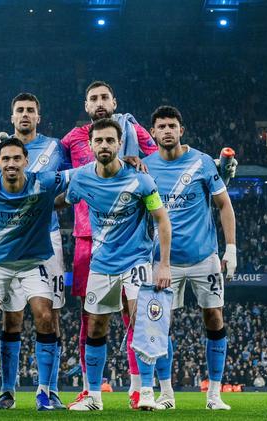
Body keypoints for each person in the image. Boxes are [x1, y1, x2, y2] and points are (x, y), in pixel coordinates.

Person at [57, 118, 172, 411]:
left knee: (143, 322)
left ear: (120, 144)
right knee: (95, 327)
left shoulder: (141, 180)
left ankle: (146, 392)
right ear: (90, 145)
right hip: (102, 264)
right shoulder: (82, 178)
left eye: (110, 140)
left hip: (136, 261)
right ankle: (94, 398)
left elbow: (162, 220)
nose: (104, 145)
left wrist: (164, 265)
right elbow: (63, 200)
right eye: (99, 140)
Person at [0, 137, 75, 411]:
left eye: (16, 158)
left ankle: (44, 392)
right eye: (6, 159)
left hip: (32, 262)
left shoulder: (43, 181)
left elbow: (82, 173)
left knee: (45, 316)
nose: (11, 163)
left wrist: (123, 162)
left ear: (26, 161)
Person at [143, 106, 236, 411]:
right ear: (153, 132)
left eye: (172, 125)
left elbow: (224, 204)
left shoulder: (202, 162)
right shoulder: (145, 167)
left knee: (215, 318)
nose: (167, 131)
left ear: (181, 130)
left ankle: (214, 394)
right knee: (159, 326)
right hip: (163, 262)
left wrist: (231, 248)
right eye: (161, 126)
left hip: (203, 257)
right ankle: (166, 394)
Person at [0, 93, 71, 409]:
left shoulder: (56, 148)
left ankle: (50, 390)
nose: (24, 114)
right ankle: (7, 391)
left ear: (38, 116)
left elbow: (71, 186)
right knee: (12, 316)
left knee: (50, 314)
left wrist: (44, 204)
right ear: (12, 117)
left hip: (47, 240)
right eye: (19, 110)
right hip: (9, 243)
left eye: (30, 110)